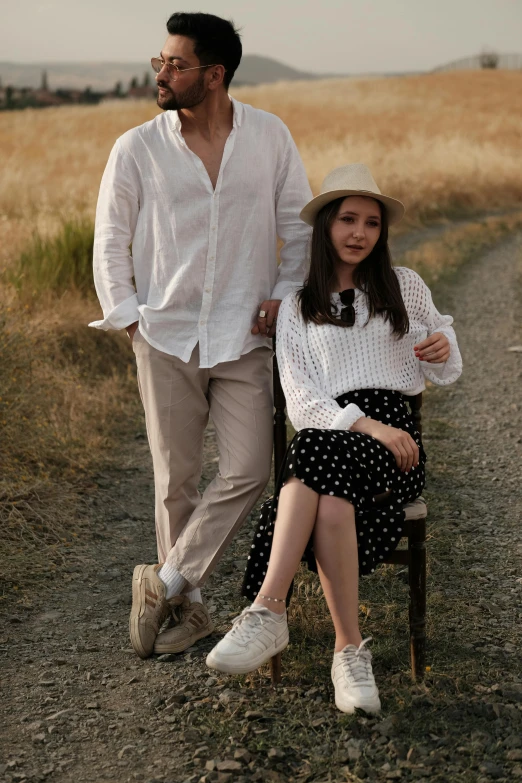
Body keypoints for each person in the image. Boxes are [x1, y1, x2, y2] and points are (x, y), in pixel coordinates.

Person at [89, 12, 312, 658]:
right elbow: (111, 238)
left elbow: (298, 229)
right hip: (164, 332)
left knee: (249, 468)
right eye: (159, 61)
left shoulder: (270, 138)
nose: (161, 73)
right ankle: (188, 611)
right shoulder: (137, 147)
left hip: (245, 334)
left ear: (214, 76)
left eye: (175, 64)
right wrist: (129, 315)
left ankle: (160, 581)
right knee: (175, 480)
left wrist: (284, 295)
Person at [206, 163, 463, 714]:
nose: (359, 234)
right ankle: (349, 650)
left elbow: (447, 365)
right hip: (348, 433)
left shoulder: (405, 286)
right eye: (347, 220)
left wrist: (441, 345)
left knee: (309, 459)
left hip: (398, 446)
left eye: (371, 223)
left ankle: (269, 612)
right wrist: (366, 424)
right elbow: (301, 402)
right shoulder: (300, 306)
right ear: (325, 226)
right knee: (322, 470)